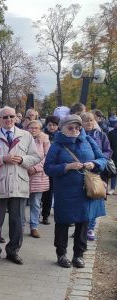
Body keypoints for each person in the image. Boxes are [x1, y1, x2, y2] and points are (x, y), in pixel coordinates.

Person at [44, 114, 106, 268]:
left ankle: (78, 255)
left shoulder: (89, 140)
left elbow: (103, 159)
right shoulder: (57, 145)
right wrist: (67, 166)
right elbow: (48, 168)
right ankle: (61, 254)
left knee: (83, 222)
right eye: (70, 127)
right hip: (65, 192)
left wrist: (94, 163)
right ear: (62, 128)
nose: (74, 130)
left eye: (77, 127)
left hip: (85, 190)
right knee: (63, 222)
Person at [0, 106, 40, 265]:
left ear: (16, 118)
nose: (9, 119)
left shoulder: (26, 135)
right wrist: (3, 159)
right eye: (5, 117)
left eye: (11, 116)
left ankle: (13, 251)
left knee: (17, 221)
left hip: (19, 183)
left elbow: (36, 156)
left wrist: (23, 160)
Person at [81, 112, 113, 241]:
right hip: (81, 171)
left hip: (96, 172)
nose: (89, 123)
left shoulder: (101, 135)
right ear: (81, 122)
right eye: (86, 120)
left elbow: (108, 151)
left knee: (94, 198)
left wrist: (98, 160)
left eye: (91, 120)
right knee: (82, 200)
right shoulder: (78, 134)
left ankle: (90, 228)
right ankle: (81, 226)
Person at [24, 120, 50, 238]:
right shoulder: (22, 138)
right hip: (23, 174)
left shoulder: (45, 139)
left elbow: (47, 157)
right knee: (21, 203)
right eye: (31, 128)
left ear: (40, 129)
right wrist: (26, 166)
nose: (33, 130)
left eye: (36, 128)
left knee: (35, 202)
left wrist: (35, 168)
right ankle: (20, 226)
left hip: (38, 176)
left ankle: (34, 226)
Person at [41, 115, 60, 225]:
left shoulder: (61, 136)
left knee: (57, 193)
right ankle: (45, 215)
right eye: (50, 125)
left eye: (54, 125)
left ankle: (59, 214)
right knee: (47, 193)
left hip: (57, 167)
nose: (52, 127)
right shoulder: (43, 136)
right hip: (45, 167)